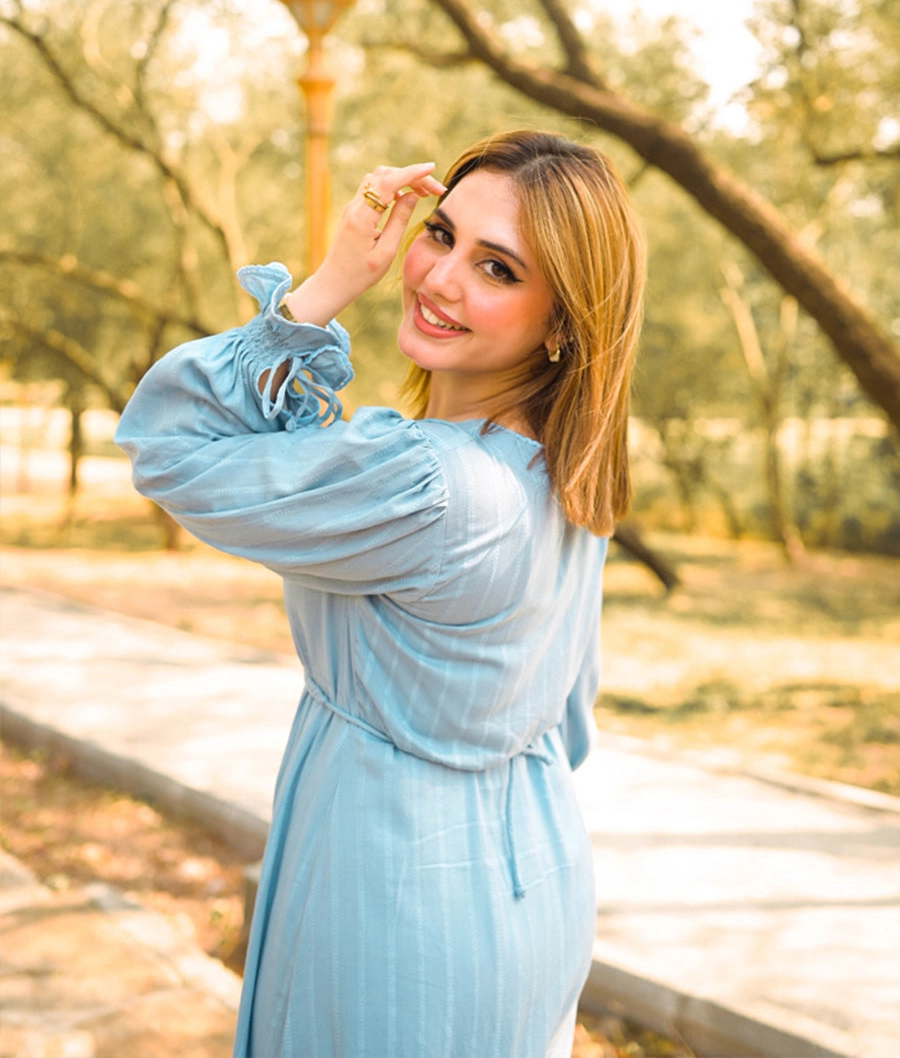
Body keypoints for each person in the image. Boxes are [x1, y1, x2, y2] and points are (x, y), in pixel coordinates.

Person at [116, 128, 646, 1058]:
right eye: (439, 235)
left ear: (564, 321)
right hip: (536, 881)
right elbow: (569, 722)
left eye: (498, 269)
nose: (439, 277)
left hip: (395, 881)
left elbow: (169, 443)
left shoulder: (425, 484)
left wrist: (324, 287)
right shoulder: (566, 482)